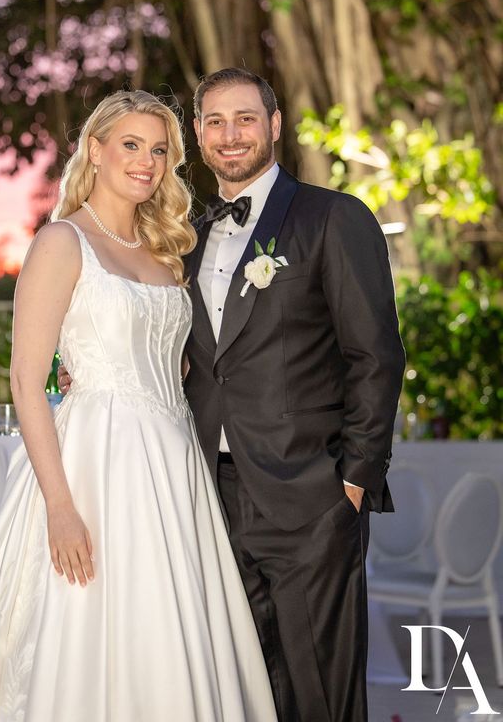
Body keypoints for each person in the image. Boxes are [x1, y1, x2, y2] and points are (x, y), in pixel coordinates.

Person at [0, 90, 278, 722]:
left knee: (169, 630)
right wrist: (61, 508)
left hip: (174, 466)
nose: (147, 162)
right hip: (96, 464)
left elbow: (177, 363)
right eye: (131, 145)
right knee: (90, 623)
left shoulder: (166, 252)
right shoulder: (61, 241)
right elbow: (26, 381)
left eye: (159, 151)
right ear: (94, 150)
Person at [184, 68, 405, 722]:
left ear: (275, 125)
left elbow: (376, 356)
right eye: (216, 121)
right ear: (197, 132)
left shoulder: (333, 217)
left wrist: (355, 480)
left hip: (312, 494)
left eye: (245, 118)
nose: (230, 134)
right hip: (209, 495)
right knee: (243, 688)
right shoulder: (184, 234)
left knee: (320, 692)